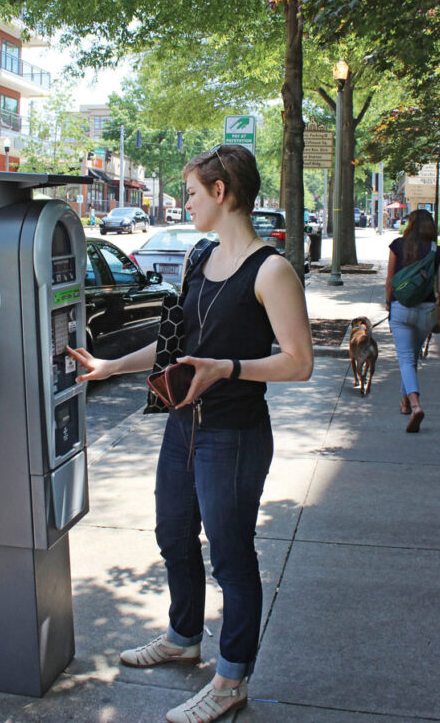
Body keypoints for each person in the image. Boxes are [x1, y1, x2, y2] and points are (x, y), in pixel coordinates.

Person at [67, 145, 313, 723]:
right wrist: (114, 367)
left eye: (194, 193)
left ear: (222, 193)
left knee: (231, 557)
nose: (187, 203)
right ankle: (183, 634)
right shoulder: (199, 257)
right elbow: (179, 347)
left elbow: (299, 362)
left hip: (233, 433)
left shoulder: (271, 270)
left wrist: (226, 369)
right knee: (173, 534)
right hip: (183, 425)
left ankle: (231, 680)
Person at [385, 209, 440, 433]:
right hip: (426, 312)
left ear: (410, 225)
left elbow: (390, 281)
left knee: (405, 358)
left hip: (401, 309)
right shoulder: (437, 252)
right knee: (412, 357)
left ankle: (415, 405)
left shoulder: (397, 245)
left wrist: (388, 303)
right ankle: (404, 403)